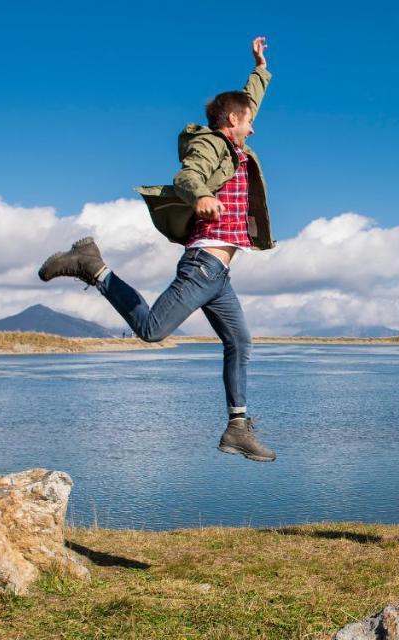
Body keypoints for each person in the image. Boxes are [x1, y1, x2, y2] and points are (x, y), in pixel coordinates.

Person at [38, 37, 277, 462]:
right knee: (151, 330)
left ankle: (237, 427)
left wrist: (259, 68)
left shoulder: (236, 141)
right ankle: (93, 267)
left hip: (219, 276)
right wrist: (201, 194)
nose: (253, 126)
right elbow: (187, 176)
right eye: (247, 120)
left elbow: (250, 102)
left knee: (240, 341)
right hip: (203, 264)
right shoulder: (210, 144)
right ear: (232, 120)